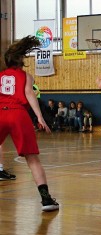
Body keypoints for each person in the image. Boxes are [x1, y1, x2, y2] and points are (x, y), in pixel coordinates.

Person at [0, 35, 59, 211]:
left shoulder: (0, 76)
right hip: (18, 114)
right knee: (32, 159)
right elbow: (30, 95)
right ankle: (46, 200)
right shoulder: (26, 76)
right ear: (21, 60)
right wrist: (39, 117)